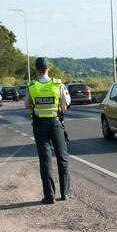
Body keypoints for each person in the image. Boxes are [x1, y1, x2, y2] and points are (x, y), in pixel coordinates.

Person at [25, 57, 72, 204]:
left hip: (39, 126)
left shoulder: (31, 86)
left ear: (36, 69)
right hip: (56, 124)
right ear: (48, 68)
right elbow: (66, 103)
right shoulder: (58, 84)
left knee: (45, 161)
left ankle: (49, 196)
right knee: (62, 158)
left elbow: (27, 105)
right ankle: (65, 193)